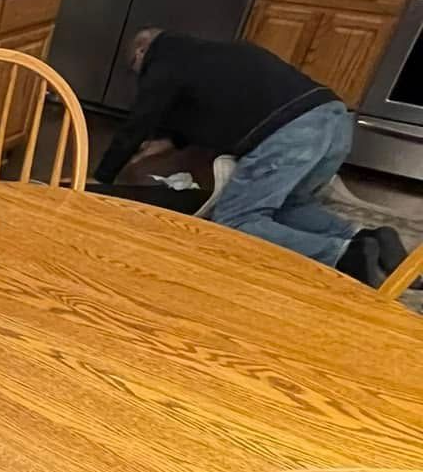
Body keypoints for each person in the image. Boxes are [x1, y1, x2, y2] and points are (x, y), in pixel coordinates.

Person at [96, 27, 406, 284]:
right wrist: (167, 144)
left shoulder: (163, 61)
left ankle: (342, 253)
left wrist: (102, 177)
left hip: (292, 134)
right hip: (335, 119)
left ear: (140, 52)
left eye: (135, 71)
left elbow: (137, 125)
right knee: (289, 204)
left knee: (237, 218)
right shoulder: (213, 55)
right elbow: (205, 116)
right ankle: (370, 238)